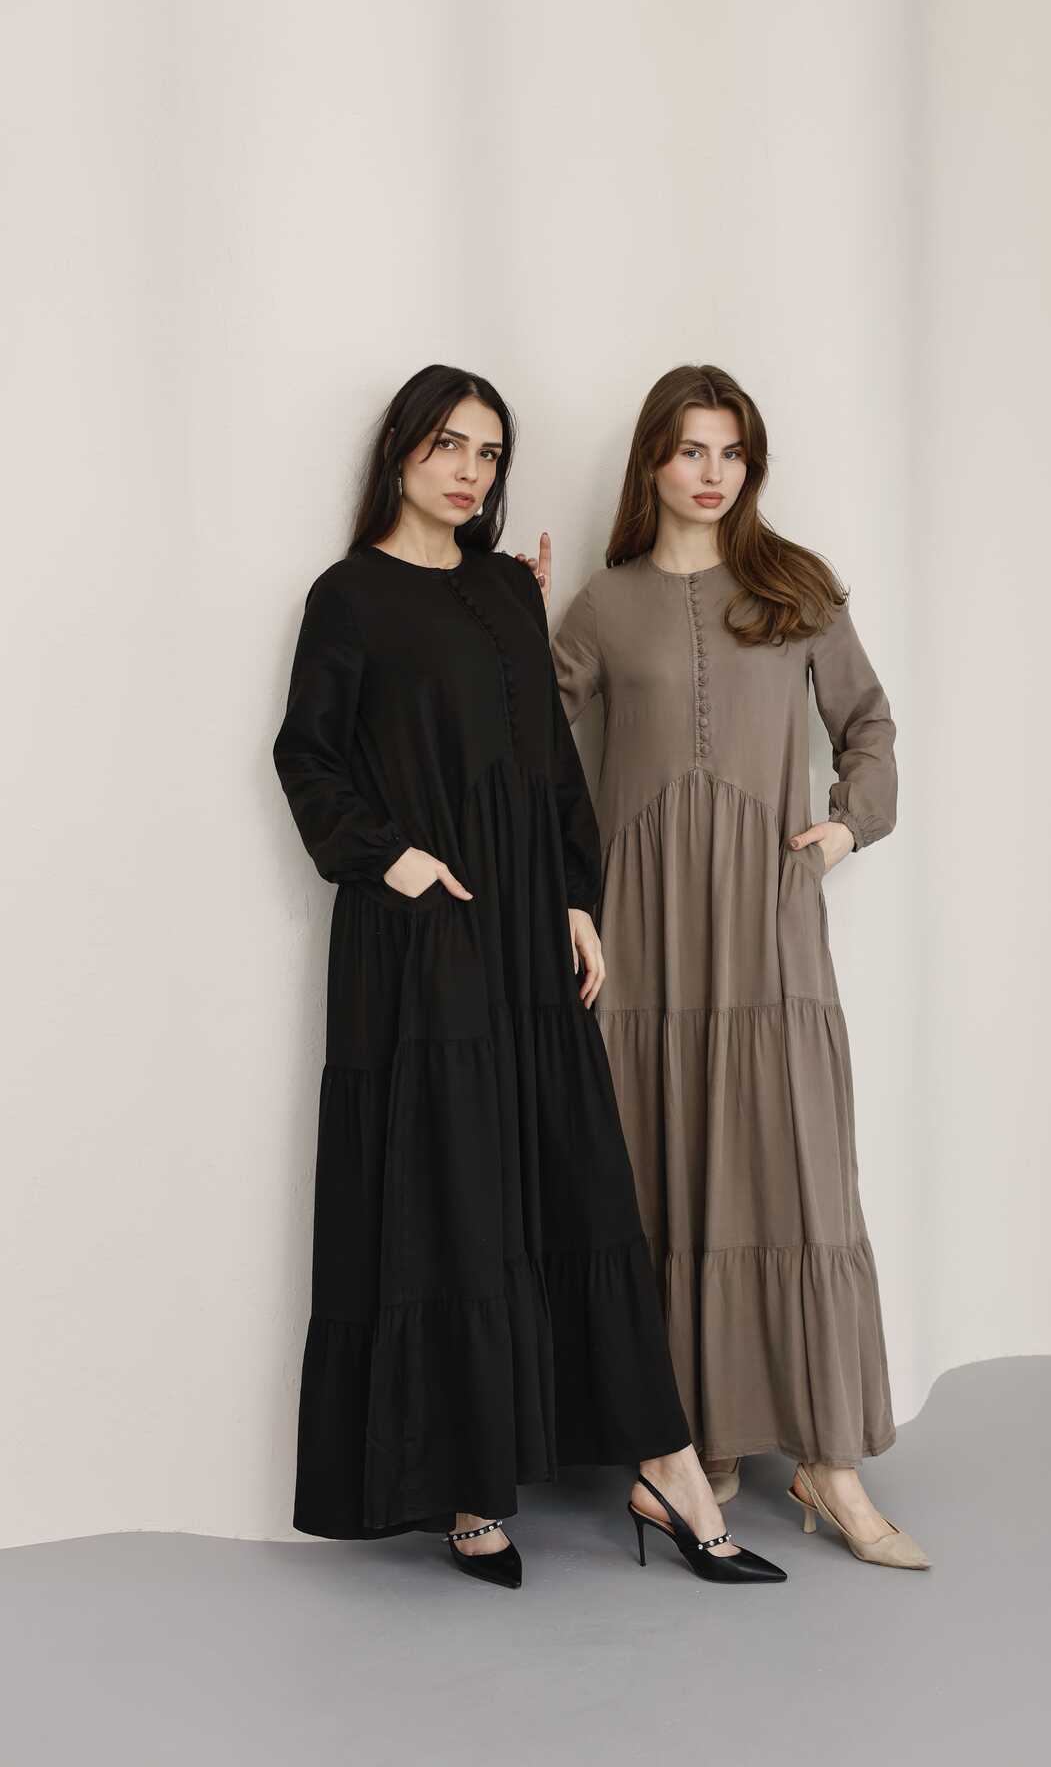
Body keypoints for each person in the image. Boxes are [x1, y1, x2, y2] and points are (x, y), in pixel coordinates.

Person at [271, 363, 786, 1589]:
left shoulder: (508, 588)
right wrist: (390, 859)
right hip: (418, 939)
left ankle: (668, 1469)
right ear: (401, 450)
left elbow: (548, 760)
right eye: (449, 444)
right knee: (453, 1193)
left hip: (523, 934)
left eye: (490, 452)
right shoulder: (347, 596)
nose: (469, 470)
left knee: (578, 1183)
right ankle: (470, 1491)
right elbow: (307, 756)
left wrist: (574, 898)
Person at [522, 363, 929, 1569]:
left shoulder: (794, 589)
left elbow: (868, 724)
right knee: (661, 1170)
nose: (711, 472)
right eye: (690, 449)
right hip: (641, 929)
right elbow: (528, 741)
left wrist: (847, 824)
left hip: (763, 911)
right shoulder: (603, 604)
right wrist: (512, 621)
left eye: (731, 451)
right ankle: (693, 1444)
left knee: (793, 1175)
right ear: (652, 461)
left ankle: (828, 1465)